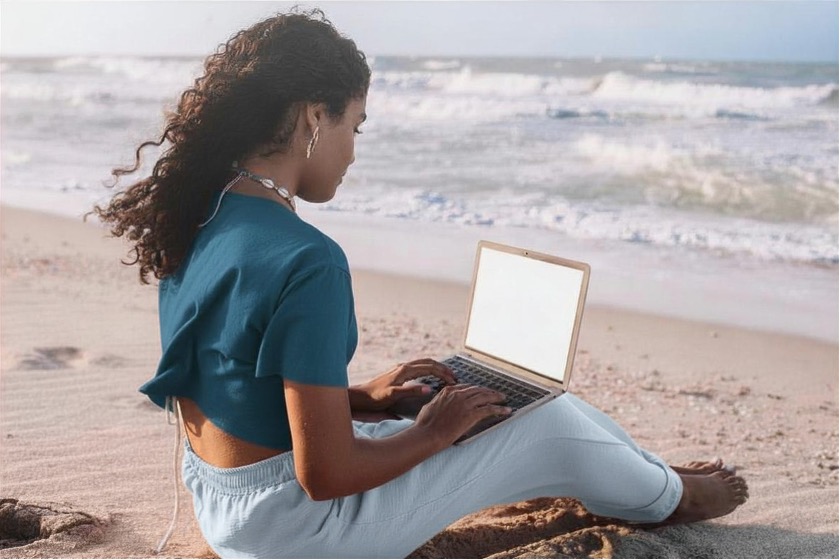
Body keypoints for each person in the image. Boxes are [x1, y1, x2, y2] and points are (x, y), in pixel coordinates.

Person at [93, 10, 748, 559]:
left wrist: (363, 399)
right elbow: (326, 477)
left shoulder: (200, 215)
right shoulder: (308, 259)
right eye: (355, 125)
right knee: (547, 418)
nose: (353, 148)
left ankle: (648, 474)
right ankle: (668, 497)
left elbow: (226, 373)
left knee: (488, 408)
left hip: (223, 502)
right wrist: (431, 434)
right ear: (313, 118)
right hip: (298, 534)